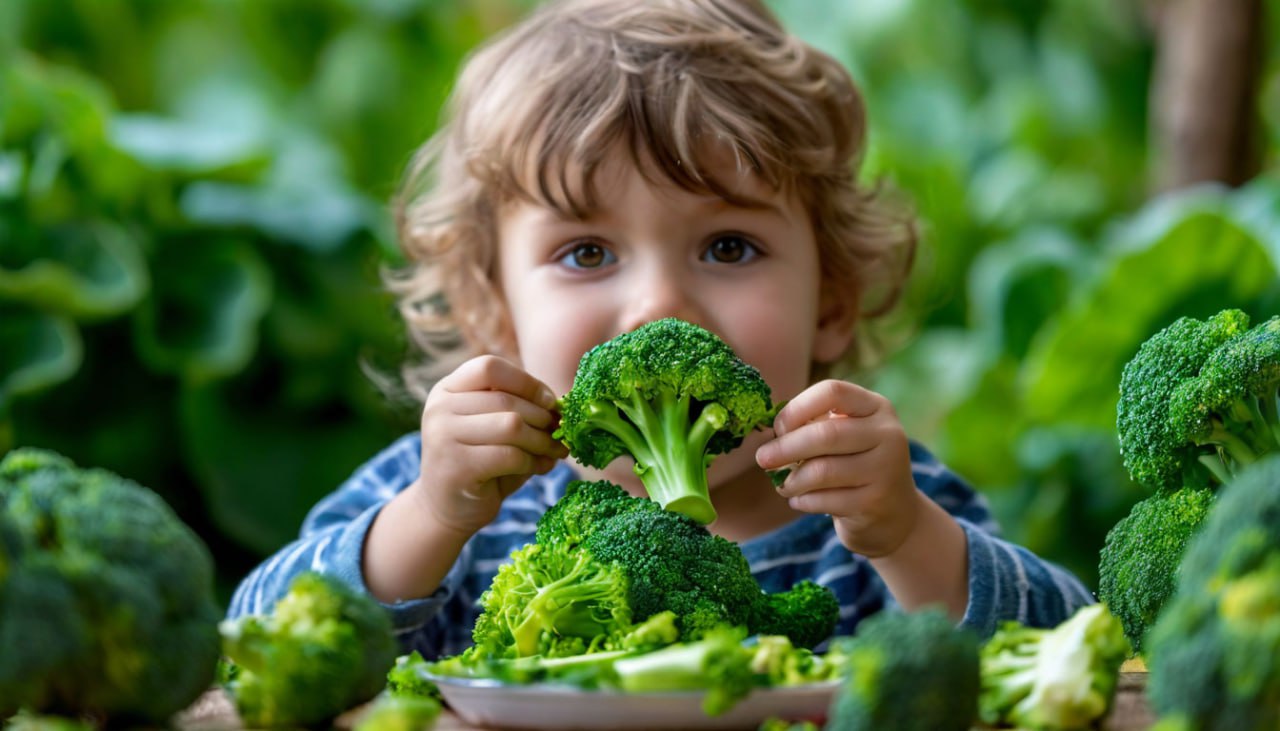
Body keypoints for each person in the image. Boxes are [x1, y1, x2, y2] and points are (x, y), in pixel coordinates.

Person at [227, 0, 1093, 657]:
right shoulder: (454, 498)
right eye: (587, 252)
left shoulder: (875, 499)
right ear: (494, 311)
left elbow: (1070, 650)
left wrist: (913, 539)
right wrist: (422, 521)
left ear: (830, 298)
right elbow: (256, 642)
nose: (658, 306)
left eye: (728, 245)